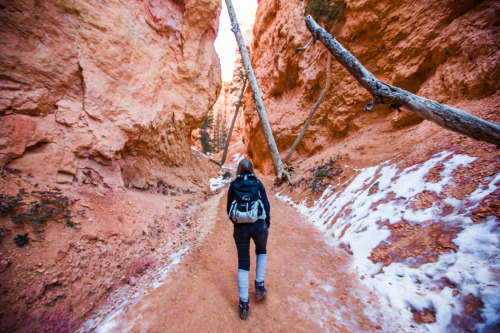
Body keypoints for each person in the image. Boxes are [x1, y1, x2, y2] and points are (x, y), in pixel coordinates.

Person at [227, 158, 271, 320]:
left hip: (240, 230)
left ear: (238, 170)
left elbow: (228, 210)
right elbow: (266, 206)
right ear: (252, 169)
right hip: (259, 225)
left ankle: (244, 304)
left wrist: (239, 224)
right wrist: (265, 224)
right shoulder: (258, 183)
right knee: (261, 251)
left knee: (243, 263)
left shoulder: (233, 185)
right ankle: (259, 286)